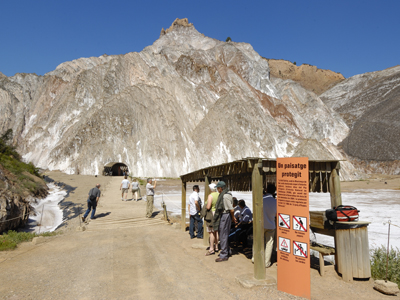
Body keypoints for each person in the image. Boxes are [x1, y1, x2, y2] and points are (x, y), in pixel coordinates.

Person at [213, 181, 237, 262]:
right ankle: (227, 250)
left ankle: (224, 255)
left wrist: (233, 217)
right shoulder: (228, 194)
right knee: (224, 234)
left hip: (225, 215)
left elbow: (231, 209)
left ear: (220, 188)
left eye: (217, 188)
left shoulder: (225, 196)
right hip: (226, 215)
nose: (217, 189)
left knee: (223, 234)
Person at [263, 184, 277, 268]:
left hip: (261, 224)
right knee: (269, 244)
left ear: (266, 190)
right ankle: (266, 262)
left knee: (258, 241)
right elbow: (276, 214)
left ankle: (255, 258)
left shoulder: (261, 199)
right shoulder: (275, 201)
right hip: (271, 225)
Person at [204, 183, 219, 255]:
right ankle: (216, 247)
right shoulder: (218, 194)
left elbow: (208, 207)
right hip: (218, 213)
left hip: (211, 214)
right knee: (216, 231)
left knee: (211, 232)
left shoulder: (210, 196)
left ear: (210, 189)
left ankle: (211, 248)